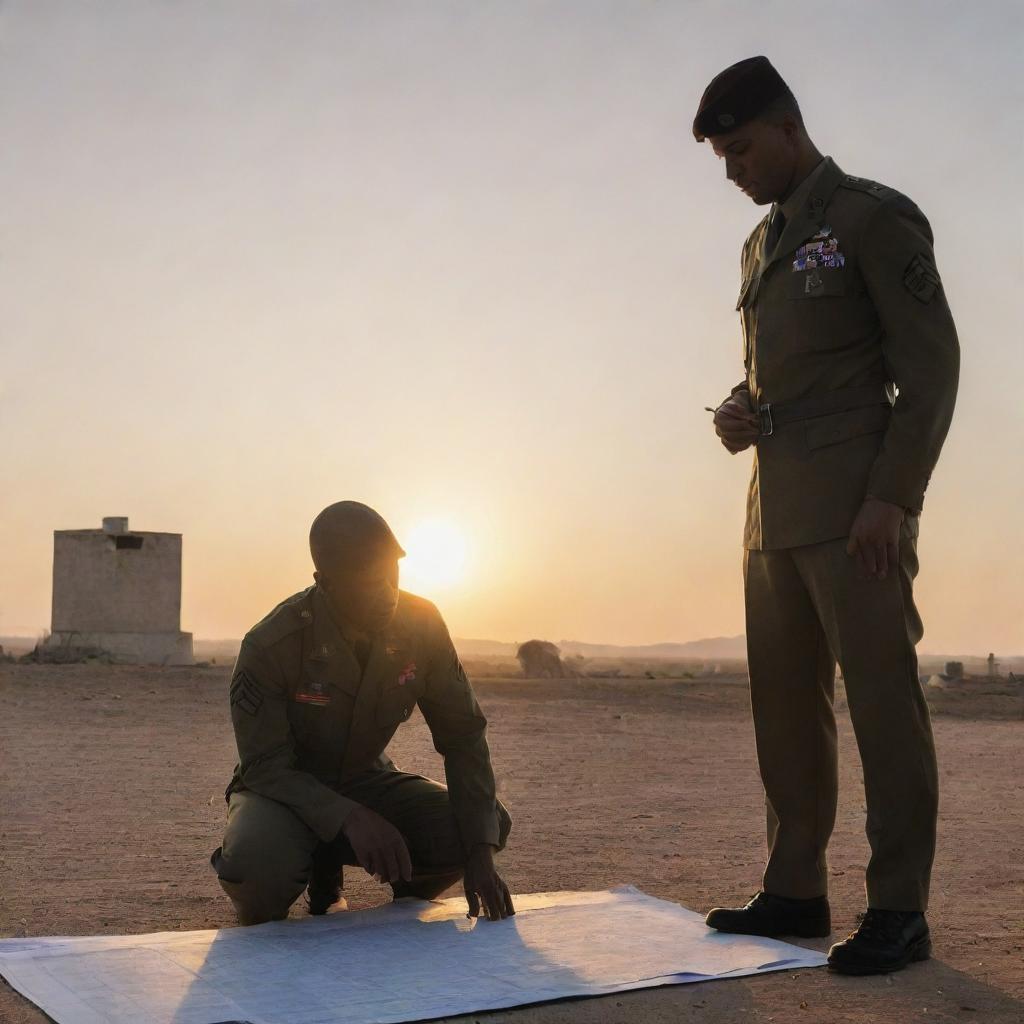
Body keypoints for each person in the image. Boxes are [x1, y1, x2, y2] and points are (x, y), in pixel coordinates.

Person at [693, 56, 959, 974]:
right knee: (785, 711)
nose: (733, 170)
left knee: (882, 705)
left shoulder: (870, 219)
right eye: (722, 158)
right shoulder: (760, 246)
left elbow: (929, 370)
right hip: (773, 509)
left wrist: (894, 497)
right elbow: (792, 372)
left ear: (787, 129)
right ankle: (797, 887)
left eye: (740, 150)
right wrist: (741, 408)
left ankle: (898, 909)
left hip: (857, 508)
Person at [210, 501, 514, 925]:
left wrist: (480, 855)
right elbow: (264, 767)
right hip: (282, 791)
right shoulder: (272, 644)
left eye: (392, 573)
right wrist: (348, 817)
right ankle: (320, 868)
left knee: (482, 823)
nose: (387, 591)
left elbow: (463, 735)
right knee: (258, 867)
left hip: (364, 777)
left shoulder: (421, 624)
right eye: (368, 582)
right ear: (326, 582)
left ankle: (396, 913)